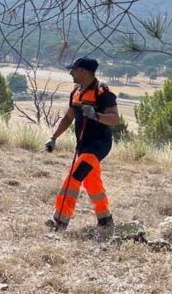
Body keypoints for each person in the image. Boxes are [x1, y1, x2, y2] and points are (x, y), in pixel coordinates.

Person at [43, 57, 121, 231]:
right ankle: (105, 220)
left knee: (75, 176)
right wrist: (53, 138)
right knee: (92, 182)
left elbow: (115, 119)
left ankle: (60, 220)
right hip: (83, 145)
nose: (71, 73)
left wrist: (96, 115)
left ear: (84, 72)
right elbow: (69, 117)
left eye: (74, 70)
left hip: (98, 145)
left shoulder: (103, 92)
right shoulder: (76, 92)